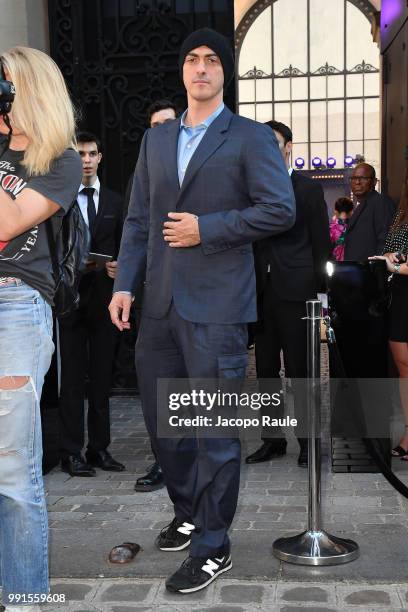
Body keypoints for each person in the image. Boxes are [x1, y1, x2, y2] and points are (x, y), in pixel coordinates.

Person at [109, 28, 295, 594]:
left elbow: (278, 209)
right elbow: (139, 218)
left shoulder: (250, 137)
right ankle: (190, 510)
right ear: (182, 70)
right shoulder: (157, 141)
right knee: (167, 430)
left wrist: (207, 229)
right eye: (192, 59)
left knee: (212, 429)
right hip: (159, 304)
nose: (201, 68)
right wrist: (125, 285)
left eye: (212, 60)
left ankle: (215, 545)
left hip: (217, 307)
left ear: (224, 73)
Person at [0, 47, 82, 611]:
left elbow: (5, 222)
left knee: (11, 468)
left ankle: (26, 598)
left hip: (15, 310)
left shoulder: (61, 160)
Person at [246, 120, 330, 468]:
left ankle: (310, 443)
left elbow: (321, 243)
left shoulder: (307, 189)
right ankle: (273, 440)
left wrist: (321, 294)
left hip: (297, 292)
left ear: (288, 147)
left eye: (274, 142)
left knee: (300, 371)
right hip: (261, 294)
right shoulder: (251, 189)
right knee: (265, 370)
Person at [58, 131, 125, 477]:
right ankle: (71, 452)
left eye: (91, 154)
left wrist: (117, 266)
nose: (86, 160)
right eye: (80, 154)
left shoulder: (115, 201)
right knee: (70, 381)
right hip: (70, 301)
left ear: (100, 158)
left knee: (101, 380)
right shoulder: (60, 199)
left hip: (104, 302)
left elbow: (127, 243)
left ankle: (99, 449)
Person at [133, 100, 177, 493]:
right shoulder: (148, 166)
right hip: (156, 297)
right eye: (154, 127)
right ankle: (163, 462)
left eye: (168, 124)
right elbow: (137, 227)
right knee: (157, 393)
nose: (161, 132)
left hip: (203, 303)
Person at [370, 167, 408, 458]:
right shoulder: (401, 213)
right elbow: (391, 251)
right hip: (400, 295)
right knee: (402, 367)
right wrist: (389, 258)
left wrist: (394, 266)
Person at [344, 163, 394, 261]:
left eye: (363, 178)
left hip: (372, 271)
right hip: (357, 270)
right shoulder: (362, 205)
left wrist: (379, 270)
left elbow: (385, 240)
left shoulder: (381, 201)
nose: (357, 182)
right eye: (354, 178)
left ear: (374, 182)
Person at [330, 197, 354, 261]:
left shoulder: (331, 228)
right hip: (353, 263)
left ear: (336, 211)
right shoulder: (355, 227)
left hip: (335, 265)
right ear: (351, 211)